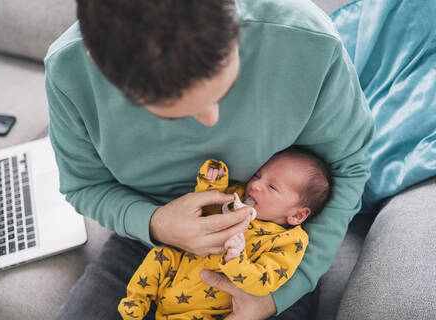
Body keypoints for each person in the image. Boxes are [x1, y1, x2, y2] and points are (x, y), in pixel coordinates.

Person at [46, 0, 374, 319]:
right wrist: (156, 223)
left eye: (221, 88)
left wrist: (277, 297)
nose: (210, 119)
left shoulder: (306, 39)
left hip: (265, 256)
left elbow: (349, 166)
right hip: (149, 245)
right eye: (175, 106)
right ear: (103, 65)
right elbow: (86, 185)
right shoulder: (68, 72)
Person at [118, 148, 332, 320]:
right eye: (258, 175)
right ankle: (137, 300)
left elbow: (265, 282)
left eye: (272, 187)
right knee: (160, 255)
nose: (255, 185)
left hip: (202, 309)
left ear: (297, 215)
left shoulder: (289, 242)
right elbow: (206, 207)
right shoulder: (236, 196)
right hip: (176, 269)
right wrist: (213, 179)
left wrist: (237, 260)